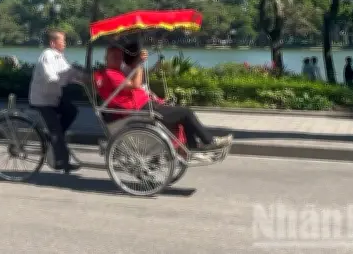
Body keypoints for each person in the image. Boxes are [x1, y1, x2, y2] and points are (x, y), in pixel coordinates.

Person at [94, 45, 232, 151]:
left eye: (119, 57)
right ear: (106, 58)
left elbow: (136, 79)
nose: (118, 59)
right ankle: (208, 142)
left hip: (144, 105)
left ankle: (193, 145)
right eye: (114, 57)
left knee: (181, 114)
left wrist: (140, 65)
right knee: (186, 112)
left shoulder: (116, 72)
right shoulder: (110, 74)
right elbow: (135, 84)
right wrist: (140, 64)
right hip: (141, 109)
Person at [29, 29, 84, 172]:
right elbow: (50, 77)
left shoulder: (60, 57)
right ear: (53, 43)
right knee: (56, 131)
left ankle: (53, 137)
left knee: (71, 111)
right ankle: (62, 162)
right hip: (42, 100)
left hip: (53, 98)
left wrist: (84, 78)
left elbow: (69, 72)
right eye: (62, 41)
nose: (65, 43)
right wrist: (65, 79)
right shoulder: (47, 56)